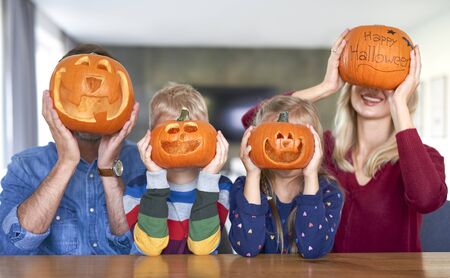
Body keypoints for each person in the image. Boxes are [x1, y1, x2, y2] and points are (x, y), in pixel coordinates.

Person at [242, 30, 447, 252]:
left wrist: (399, 104)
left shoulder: (423, 157)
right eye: (363, 77)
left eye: (385, 81)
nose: (372, 88)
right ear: (350, 87)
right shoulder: (322, 148)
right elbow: (255, 124)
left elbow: (427, 200)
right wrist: (325, 87)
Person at [0, 44, 146, 255]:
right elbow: (8, 249)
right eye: (76, 81)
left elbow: (141, 249)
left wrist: (108, 170)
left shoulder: (143, 162)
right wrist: (66, 162)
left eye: (105, 75)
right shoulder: (26, 167)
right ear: (51, 101)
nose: (92, 84)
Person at [230, 95, 343, 258]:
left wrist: (311, 176)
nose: (284, 147)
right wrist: (253, 175)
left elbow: (313, 250)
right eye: (276, 135)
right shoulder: (245, 187)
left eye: (294, 136)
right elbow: (248, 248)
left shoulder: (328, 192)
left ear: (315, 144)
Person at [128, 83, 232, 255]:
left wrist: (208, 178)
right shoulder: (136, 189)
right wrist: (156, 179)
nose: (181, 138)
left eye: (191, 129)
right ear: (150, 137)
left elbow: (202, 248)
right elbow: (150, 248)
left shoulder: (220, 187)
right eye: (171, 129)